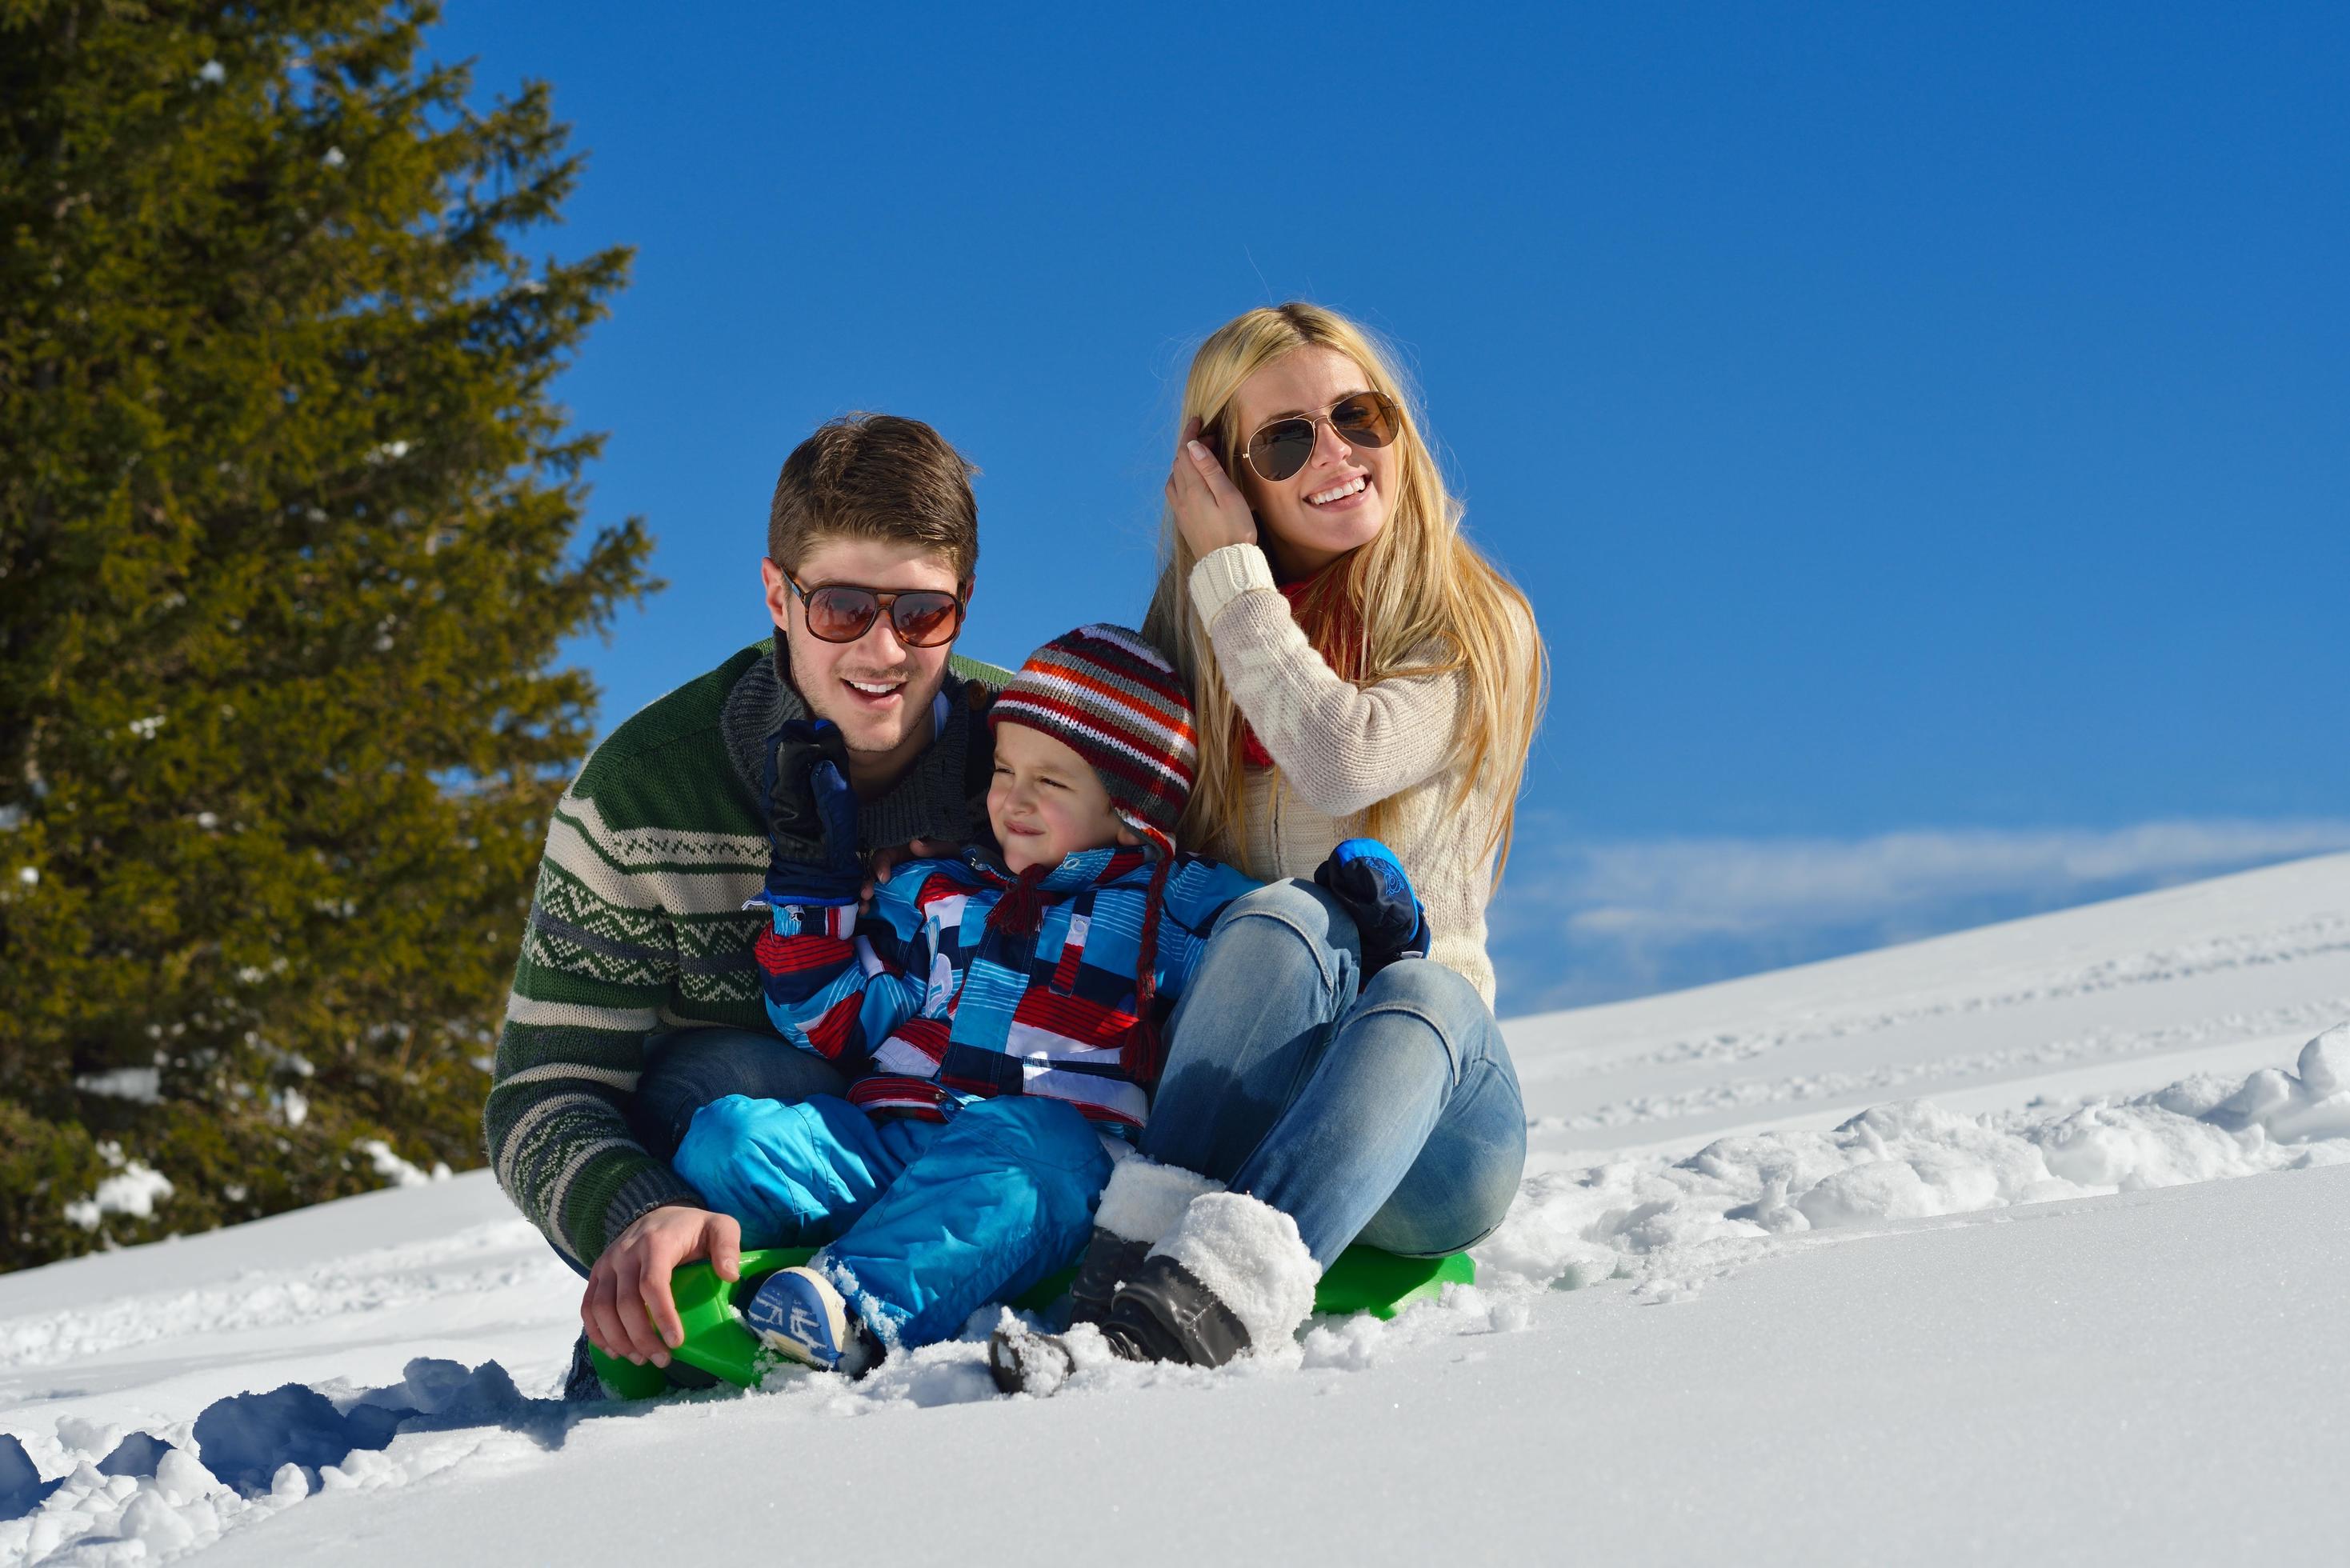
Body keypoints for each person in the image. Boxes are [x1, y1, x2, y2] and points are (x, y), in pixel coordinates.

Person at [991, 302, 1544, 1390]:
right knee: (1283, 914)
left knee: (1423, 992)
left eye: (1359, 416)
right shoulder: (1188, 658)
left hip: (1430, 1132)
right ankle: (1121, 1285)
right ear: (1224, 473)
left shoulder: (1476, 625)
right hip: (1250, 1106)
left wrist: (1233, 576)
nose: (1335, 454)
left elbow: (1341, 756)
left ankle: (1208, 1310)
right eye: (1286, 439)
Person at [665, 625, 1427, 1376]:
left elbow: (1273, 978)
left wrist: (1365, 923)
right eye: (1003, 771)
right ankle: (740, 1274)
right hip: (891, 1142)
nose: (1013, 801)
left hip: (1043, 1163)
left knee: (1043, 1153)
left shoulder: (1167, 901)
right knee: (724, 1137)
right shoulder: (938, 891)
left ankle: (854, 1309)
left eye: (1052, 782)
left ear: (1130, 812)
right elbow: (826, 1023)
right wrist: (812, 882)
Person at [482, 413, 1011, 1392]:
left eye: (921, 613)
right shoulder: (643, 795)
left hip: (986, 1138)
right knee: (712, 1077)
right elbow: (542, 1092)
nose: (884, 649)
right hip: (749, 1160)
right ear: (778, 593)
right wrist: (638, 1208)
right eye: (845, 607)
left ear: (964, 605)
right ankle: (723, 1304)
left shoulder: (1040, 755)